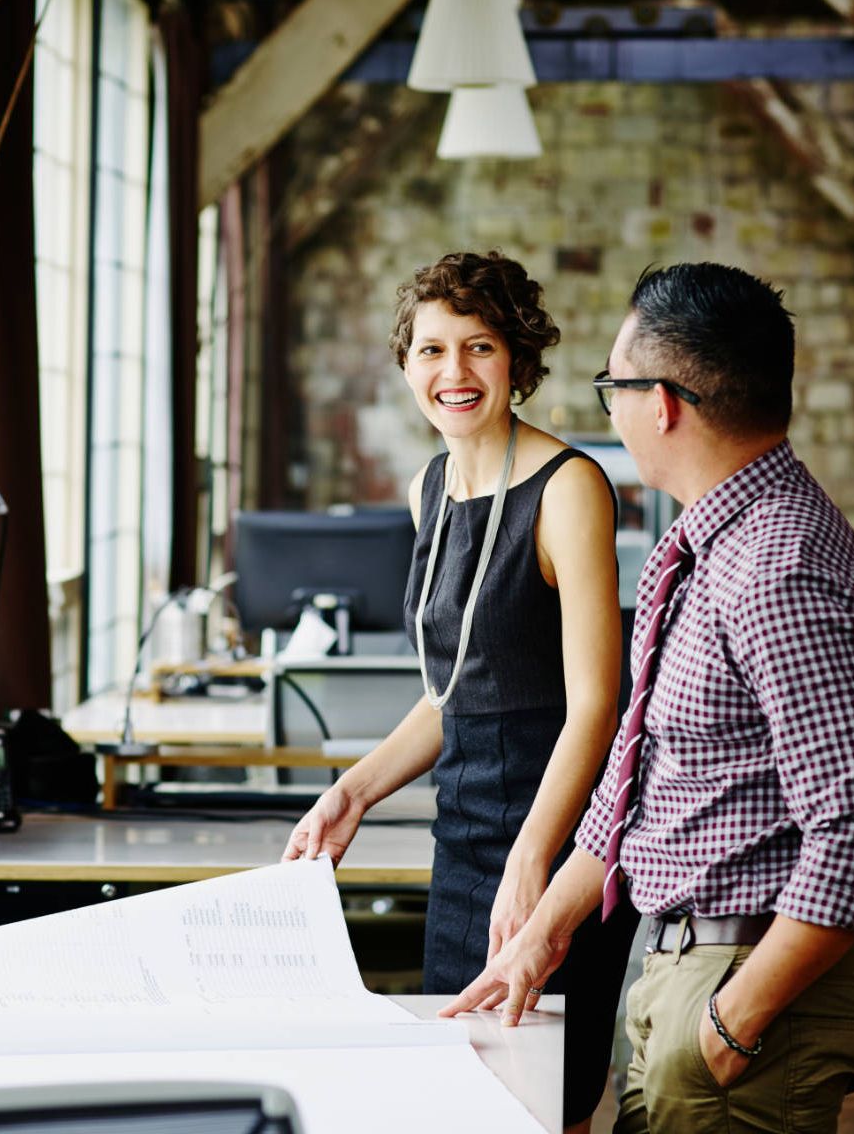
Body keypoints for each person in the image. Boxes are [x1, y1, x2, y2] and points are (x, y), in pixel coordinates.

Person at [442, 263, 854, 1133]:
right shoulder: (706, 543)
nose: (609, 412)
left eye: (611, 388)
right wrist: (543, 931)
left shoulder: (778, 567)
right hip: (687, 964)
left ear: (660, 403)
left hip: (745, 980)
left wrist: (729, 1025)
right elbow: (644, 777)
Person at [282, 250, 641, 1134]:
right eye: (432, 350)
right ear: (405, 364)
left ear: (517, 359)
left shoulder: (569, 489)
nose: (454, 372)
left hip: (557, 838)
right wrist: (350, 793)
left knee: (545, 1100)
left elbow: (597, 703)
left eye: (478, 347)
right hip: (464, 835)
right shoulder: (429, 488)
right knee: (465, 1099)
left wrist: (533, 863)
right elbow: (452, 695)